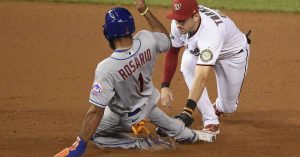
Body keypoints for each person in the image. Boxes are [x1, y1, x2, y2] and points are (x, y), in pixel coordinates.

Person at [54, 1, 215, 157]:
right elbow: (166, 39)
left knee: (95, 135)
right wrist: (144, 10)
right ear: (132, 29)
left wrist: (79, 145)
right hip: (149, 103)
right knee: (155, 112)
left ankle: (142, 143)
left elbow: (95, 112)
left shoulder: (107, 68)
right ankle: (188, 135)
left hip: (127, 117)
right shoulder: (147, 39)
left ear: (108, 33)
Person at [159, 0, 251, 135]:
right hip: (203, 49)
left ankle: (219, 107)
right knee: (187, 63)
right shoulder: (179, 23)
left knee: (228, 107)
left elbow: (202, 76)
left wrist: (187, 112)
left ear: (195, 17)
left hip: (231, 55)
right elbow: (173, 51)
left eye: (182, 20)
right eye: (176, 19)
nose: (178, 24)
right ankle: (211, 121)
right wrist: (165, 86)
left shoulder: (211, 32)